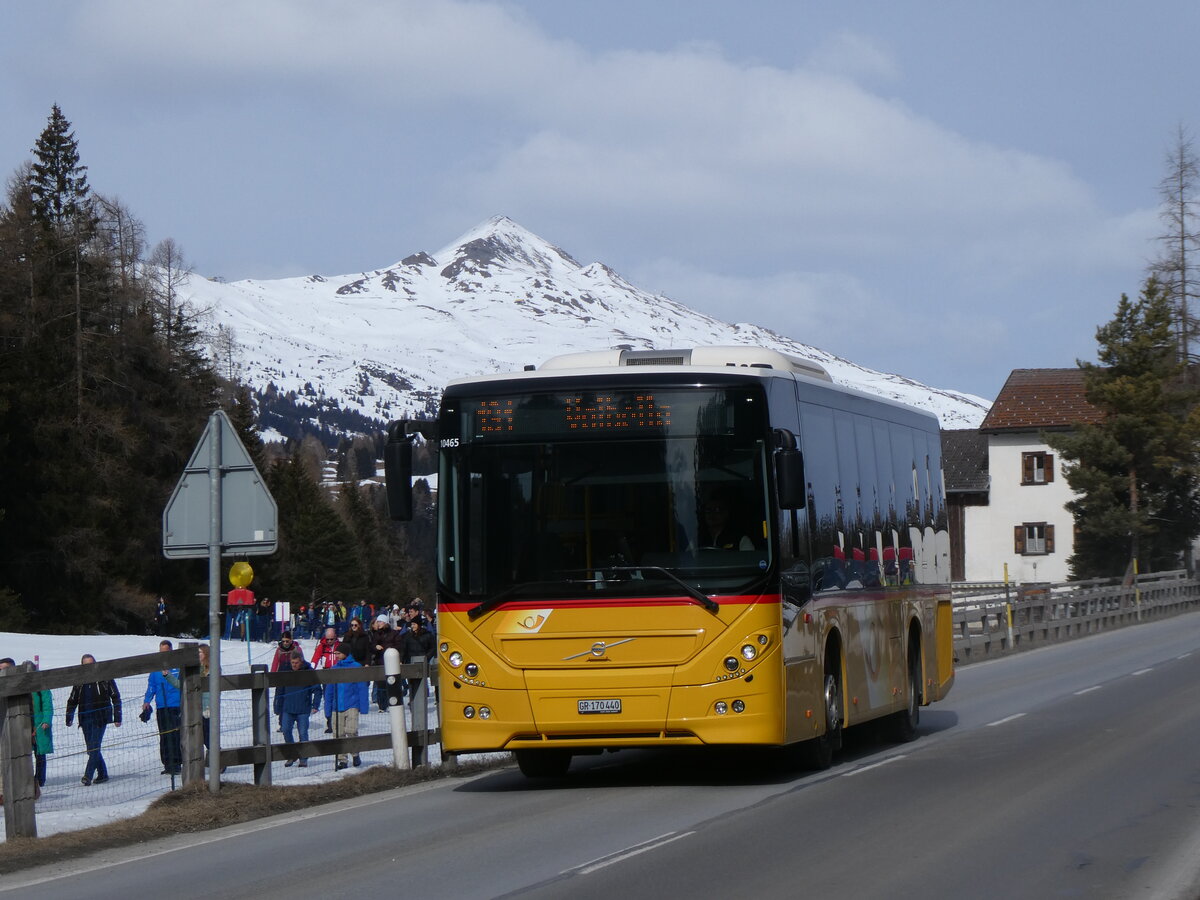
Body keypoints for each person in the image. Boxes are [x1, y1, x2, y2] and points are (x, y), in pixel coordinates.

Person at [65, 653, 122, 786]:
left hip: (100, 717)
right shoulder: (79, 681)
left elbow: (116, 696)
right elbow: (73, 699)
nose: (89, 667)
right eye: (86, 665)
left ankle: (88, 775)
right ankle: (103, 774)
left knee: (94, 746)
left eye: (91, 664)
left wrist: (117, 716)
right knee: (92, 748)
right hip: (85, 718)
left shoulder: (104, 678)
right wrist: (69, 716)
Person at [323, 643, 369, 769]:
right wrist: (328, 708)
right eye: (335, 653)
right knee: (338, 734)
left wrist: (363, 706)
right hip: (336, 706)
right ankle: (342, 759)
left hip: (352, 704)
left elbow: (362, 688)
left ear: (345, 653)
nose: (336, 655)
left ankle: (355, 753)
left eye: (338, 653)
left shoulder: (356, 667)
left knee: (352, 730)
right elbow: (329, 691)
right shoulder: (334, 669)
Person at [274, 649, 320, 767]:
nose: (294, 665)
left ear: (302, 662)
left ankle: (303, 757)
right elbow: (280, 689)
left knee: (303, 733)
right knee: (285, 730)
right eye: (292, 662)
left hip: (303, 709)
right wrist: (278, 705)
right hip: (287, 708)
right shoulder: (286, 671)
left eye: (296, 663)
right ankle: (292, 754)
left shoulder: (309, 672)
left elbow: (317, 690)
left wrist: (315, 705)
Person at [142, 640, 182, 776]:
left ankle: (177, 763)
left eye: (166, 651)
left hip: (176, 705)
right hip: (162, 706)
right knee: (164, 735)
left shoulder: (178, 666)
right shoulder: (156, 669)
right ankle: (167, 763)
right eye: (161, 651)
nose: (163, 653)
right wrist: (147, 701)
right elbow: (151, 686)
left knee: (175, 734)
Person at [368, 614, 403, 712]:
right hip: (380, 661)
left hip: (392, 662)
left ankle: (394, 703)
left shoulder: (394, 633)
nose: (378, 623)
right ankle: (381, 705)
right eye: (377, 622)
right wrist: (375, 647)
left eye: (380, 621)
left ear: (385, 622)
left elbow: (399, 646)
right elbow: (371, 647)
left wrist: (391, 651)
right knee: (380, 684)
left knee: (392, 683)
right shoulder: (376, 634)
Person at [311, 626, 341, 733]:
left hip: (338, 675)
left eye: (331, 639)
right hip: (326, 675)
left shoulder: (340, 646)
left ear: (335, 637)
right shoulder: (322, 647)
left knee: (337, 699)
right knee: (328, 699)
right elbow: (315, 659)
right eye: (327, 639)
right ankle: (330, 722)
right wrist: (310, 670)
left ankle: (338, 721)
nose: (329, 641)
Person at [400, 615, 437, 701]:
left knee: (421, 683)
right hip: (411, 662)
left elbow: (433, 647)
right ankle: (412, 700)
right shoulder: (408, 636)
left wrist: (426, 657)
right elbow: (404, 649)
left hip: (422, 662)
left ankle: (421, 700)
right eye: (411, 624)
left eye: (414, 624)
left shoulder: (427, 635)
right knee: (411, 683)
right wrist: (401, 660)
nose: (412, 626)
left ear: (419, 624)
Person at [29, 661, 53, 788]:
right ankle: (27, 776)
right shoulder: (22, 684)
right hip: (25, 723)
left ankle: (40, 778)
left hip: (38, 723)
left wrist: (46, 720)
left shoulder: (41, 685)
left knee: (39, 752)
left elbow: (47, 704)